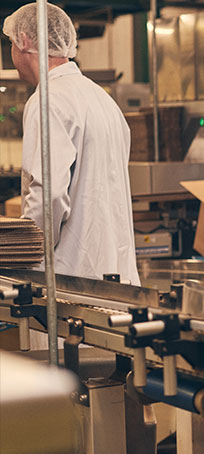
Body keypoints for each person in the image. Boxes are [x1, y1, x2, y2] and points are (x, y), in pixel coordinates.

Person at [3, 3, 140, 285]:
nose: (11, 55)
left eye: (11, 45)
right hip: (114, 271)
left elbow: (48, 195)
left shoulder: (48, 100)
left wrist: (27, 259)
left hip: (71, 279)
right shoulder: (102, 100)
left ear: (25, 41)